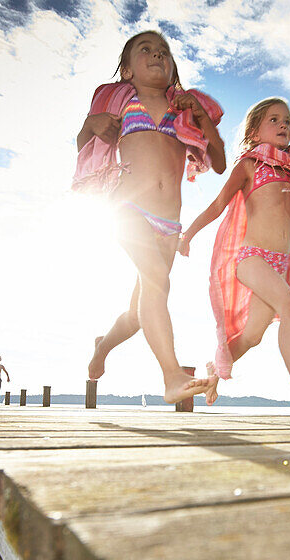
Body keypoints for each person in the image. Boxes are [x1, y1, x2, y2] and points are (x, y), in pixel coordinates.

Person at [73, 30, 226, 404]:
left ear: (172, 68)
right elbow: (86, 148)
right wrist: (89, 126)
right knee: (158, 282)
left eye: (164, 52)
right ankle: (172, 376)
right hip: (127, 208)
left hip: (168, 225)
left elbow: (219, 163)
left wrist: (203, 116)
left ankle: (102, 346)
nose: (157, 55)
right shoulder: (121, 104)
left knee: (139, 310)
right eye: (146, 50)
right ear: (127, 70)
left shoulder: (185, 112)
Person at [179, 97, 290, 414]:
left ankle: (214, 370)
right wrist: (188, 234)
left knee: (253, 336)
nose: (283, 124)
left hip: (278, 265)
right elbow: (218, 206)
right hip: (252, 258)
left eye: (287, 121)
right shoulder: (250, 166)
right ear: (255, 132)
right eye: (274, 120)